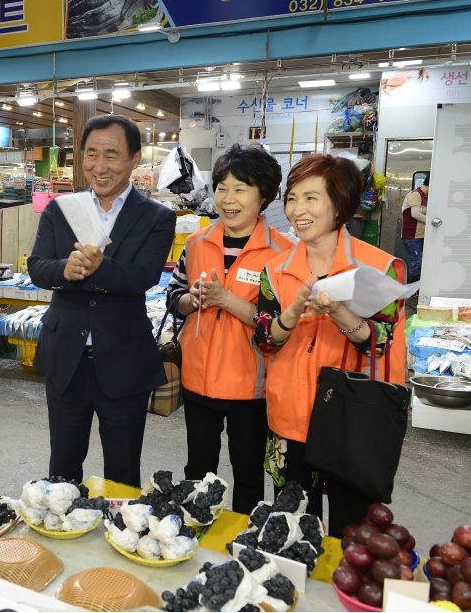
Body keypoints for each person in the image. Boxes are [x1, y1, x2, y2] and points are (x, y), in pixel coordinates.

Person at [254, 153, 406, 537]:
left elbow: (381, 345)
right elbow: (264, 340)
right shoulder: (275, 270)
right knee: (289, 529)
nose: (296, 209)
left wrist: (340, 314)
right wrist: (289, 317)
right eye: (292, 198)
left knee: (348, 533)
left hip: (350, 423)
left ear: (339, 205)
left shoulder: (379, 268)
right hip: (289, 419)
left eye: (311, 198)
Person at [28, 114, 176, 488]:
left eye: (112, 155)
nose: (100, 166)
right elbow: (37, 267)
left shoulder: (157, 216)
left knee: (123, 471)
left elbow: (144, 276)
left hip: (125, 360)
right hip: (66, 359)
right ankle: (62, 538)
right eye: (91, 154)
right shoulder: (61, 209)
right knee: (61, 468)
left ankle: (120, 536)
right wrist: (66, 269)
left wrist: (100, 267)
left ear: (135, 159)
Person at [166, 145, 292, 513]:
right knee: (197, 470)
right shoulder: (196, 243)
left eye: (241, 188)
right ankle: (194, 533)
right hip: (198, 378)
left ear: (264, 196)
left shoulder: (281, 253)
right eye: (222, 187)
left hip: (250, 388)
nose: (228, 198)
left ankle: (242, 544)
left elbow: (279, 325)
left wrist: (225, 299)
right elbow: (174, 298)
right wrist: (191, 299)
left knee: (248, 473)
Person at [401, 173, 429, 288]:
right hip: (412, 235)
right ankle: (411, 289)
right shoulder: (416, 194)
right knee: (418, 260)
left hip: (422, 235)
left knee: (422, 261)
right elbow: (415, 214)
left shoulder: (426, 197)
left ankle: (416, 288)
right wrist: (431, 223)